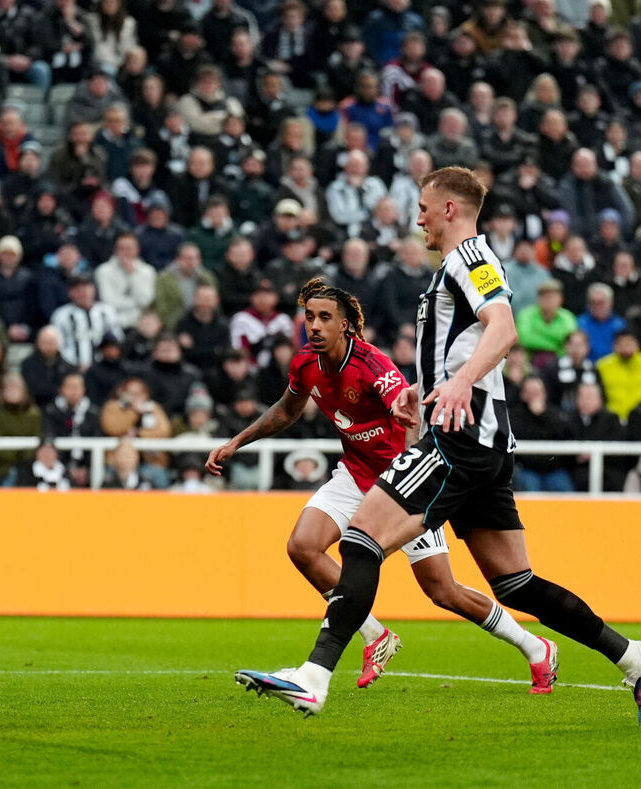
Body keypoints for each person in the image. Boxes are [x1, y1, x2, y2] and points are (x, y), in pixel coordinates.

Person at [233, 168, 641, 724]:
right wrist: (426, 388)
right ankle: (633, 658)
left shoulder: (470, 259)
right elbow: (464, 349)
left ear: (450, 210)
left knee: (362, 540)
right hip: (480, 438)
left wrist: (459, 386)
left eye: (423, 208)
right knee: (517, 583)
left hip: (460, 436)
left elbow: (503, 329)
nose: (418, 219)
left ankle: (313, 678)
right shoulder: (460, 266)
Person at [211, 278, 554, 693]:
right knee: (302, 547)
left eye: (325, 318)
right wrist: (236, 442)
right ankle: (375, 636)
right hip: (355, 475)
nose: (315, 326)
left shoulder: (373, 365)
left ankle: (535, 648)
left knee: (442, 591)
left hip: (401, 488)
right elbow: (288, 409)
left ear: (346, 326)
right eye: (310, 318)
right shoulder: (304, 363)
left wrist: (404, 425)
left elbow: (403, 405)